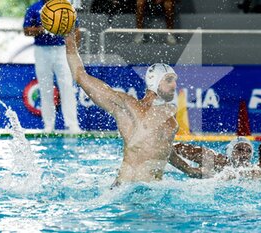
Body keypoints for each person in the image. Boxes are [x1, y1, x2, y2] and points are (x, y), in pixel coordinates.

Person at [66, 29, 179, 186]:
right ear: (155, 81)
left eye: (174, 80)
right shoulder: (128, 107)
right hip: (124, 193)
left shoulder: (170, 120)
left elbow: (163, 150)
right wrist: (70, 42)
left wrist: (191, 170)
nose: (174, 85)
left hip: (153, 194)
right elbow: (81, 76)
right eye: (169, 80)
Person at [23, 0, 81, 133]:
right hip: (42, 50)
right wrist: (44, 28)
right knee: (45, 87)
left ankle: (72, 125)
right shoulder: (35, 8)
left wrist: (73, 50)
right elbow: (26, 31)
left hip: (62, 49)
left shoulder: (65, 7)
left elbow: (76, 30)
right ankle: (48, 125)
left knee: (67, 85)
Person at [169, 136, 254, 178]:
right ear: (230, 151)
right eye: (240, 150)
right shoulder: (214, 158)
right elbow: (177, 147)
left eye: (248, 151)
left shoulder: (251, 171)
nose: (244, 154)